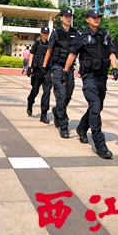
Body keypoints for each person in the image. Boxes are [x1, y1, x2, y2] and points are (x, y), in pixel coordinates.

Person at [63, 8, 118, 158]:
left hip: (102, 77)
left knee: (97, 107)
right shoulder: (82, 35)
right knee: (95, 105)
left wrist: (114, 68)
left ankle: (82, 128)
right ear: (87, 19)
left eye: (98, 17)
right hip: (89, 76)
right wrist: (65, 71)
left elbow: (112, 52)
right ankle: (100, 144)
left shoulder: (105, 34)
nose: (96, 19)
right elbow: (72, 53)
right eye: (93, 17)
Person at [43, 8, 77, 139]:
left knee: (68, 95)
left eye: (70, 16)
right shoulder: (56, 32)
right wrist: (44, 67)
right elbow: (49, 50)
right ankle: (63, 126)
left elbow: (78, 51)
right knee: (61, 96)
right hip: (58, 68)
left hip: (70, 70)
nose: (68, 18)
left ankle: (57, 111)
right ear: (61, 18)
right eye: (66, 16)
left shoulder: (75, 33)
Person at [26, 27, 52, 123]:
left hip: (47, 71)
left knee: (47, 92)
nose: (46, 34)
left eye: (47, 33)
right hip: (37, 71)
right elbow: (31, 55)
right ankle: (30, 102)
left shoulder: (50, 45)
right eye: (44, 33)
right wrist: (29, 68)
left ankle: (43, 114)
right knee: (35, 91)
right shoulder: (37, 44)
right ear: (41, 33)